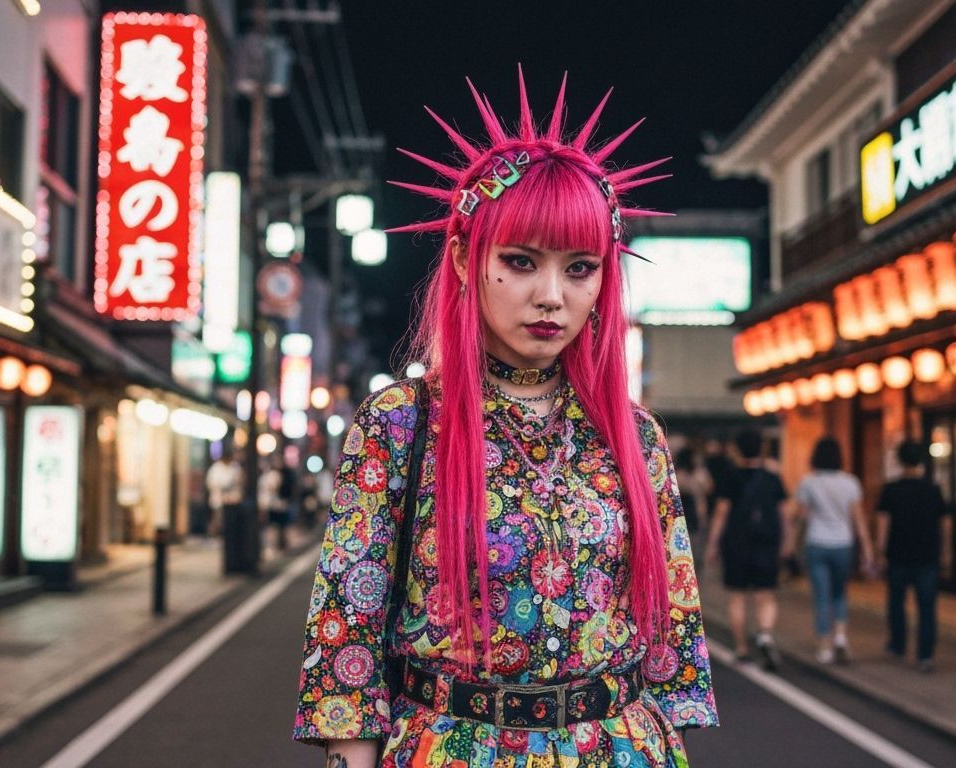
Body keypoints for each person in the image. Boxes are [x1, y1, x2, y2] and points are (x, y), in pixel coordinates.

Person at [293, 72, 718, 767]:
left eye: (580, 268)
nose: (551, 295)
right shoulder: (400, 423)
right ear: (464, 257)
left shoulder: (636, 436)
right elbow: (349, 629)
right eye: (520, 262)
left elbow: (670, 634)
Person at [705, 428, 790, 670]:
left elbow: (721, 513)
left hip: (737, 543)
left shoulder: (729, 477)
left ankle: (742, 650)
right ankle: (764, 633)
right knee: (766, 595)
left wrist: (712, 545)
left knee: (738, 596)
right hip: (766, 542)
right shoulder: (772, 478)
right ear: (761, 449)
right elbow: (784, 514)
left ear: (736, 449)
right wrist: (787, 542)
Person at [793, 438, 874, 665]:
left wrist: (791, 542)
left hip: (817, 542)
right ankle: (840, 637)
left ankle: (824, 647)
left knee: (821, 596)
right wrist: (867, 547)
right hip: (843, 544)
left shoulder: (808, 482)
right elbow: (858, 518)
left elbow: (800, 516)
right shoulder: (850, 482)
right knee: (840, 593)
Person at [876, 439, 950, 673]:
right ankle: (925, 655)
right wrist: (947, 550)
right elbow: (946, 522)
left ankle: (897, 645)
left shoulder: (891, 490)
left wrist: (880, 551)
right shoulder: (933, 489)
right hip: (928, 555)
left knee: (896, 602)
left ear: (900, 461)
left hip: (898, 554)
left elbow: (883, 523)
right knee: (927, 607)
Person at [674, 446, 711, 565]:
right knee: (697, 545)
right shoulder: (700, 474)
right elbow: (709, 488)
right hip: (698, 512)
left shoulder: (676, 474)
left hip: (680, 515)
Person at [205, 450, 244, 537]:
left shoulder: (234, 467)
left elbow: (239, 481)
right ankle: (215, 533)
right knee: (218, 517)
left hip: (232, 499)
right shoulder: (216, 468)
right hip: (218, 498)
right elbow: (211, 483)